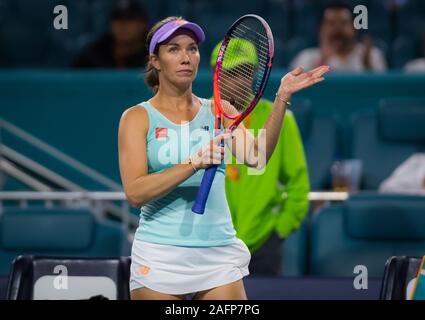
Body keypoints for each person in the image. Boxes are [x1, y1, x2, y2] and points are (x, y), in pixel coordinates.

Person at [118, 16, 329, 300]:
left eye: (192, 48)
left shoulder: (220, 110)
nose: (185, 58)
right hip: (159, 255)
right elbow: (135, 192)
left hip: (217, 252)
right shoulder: (136, 118)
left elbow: (257, 158)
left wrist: (281, 97)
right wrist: (194, 163)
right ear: (155, 60)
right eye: (174, 49)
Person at [210, 41, 310, 276]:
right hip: (212, 243)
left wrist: (279, 230)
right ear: (217, 76)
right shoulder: (200, 117)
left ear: (255, 74)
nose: (237, 81)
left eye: (243, 72)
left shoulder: (281, 120)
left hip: (263, 244)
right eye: (229, 73)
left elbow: (298, 184)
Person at [290, 2, 387, 72]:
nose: (337, 29)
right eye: (331, 23)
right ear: (320, 29)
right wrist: (322, 61)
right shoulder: (306, 58)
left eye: (343, 23)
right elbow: (298, 94)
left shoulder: (373, 56)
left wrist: (367, 67)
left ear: (355, 28)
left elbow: (381, 91)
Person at [73, 0, 149, 69]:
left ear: (142, 24)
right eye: (118, 19)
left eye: (130, 19)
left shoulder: (153, 54)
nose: (123, 25)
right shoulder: (94, 54)